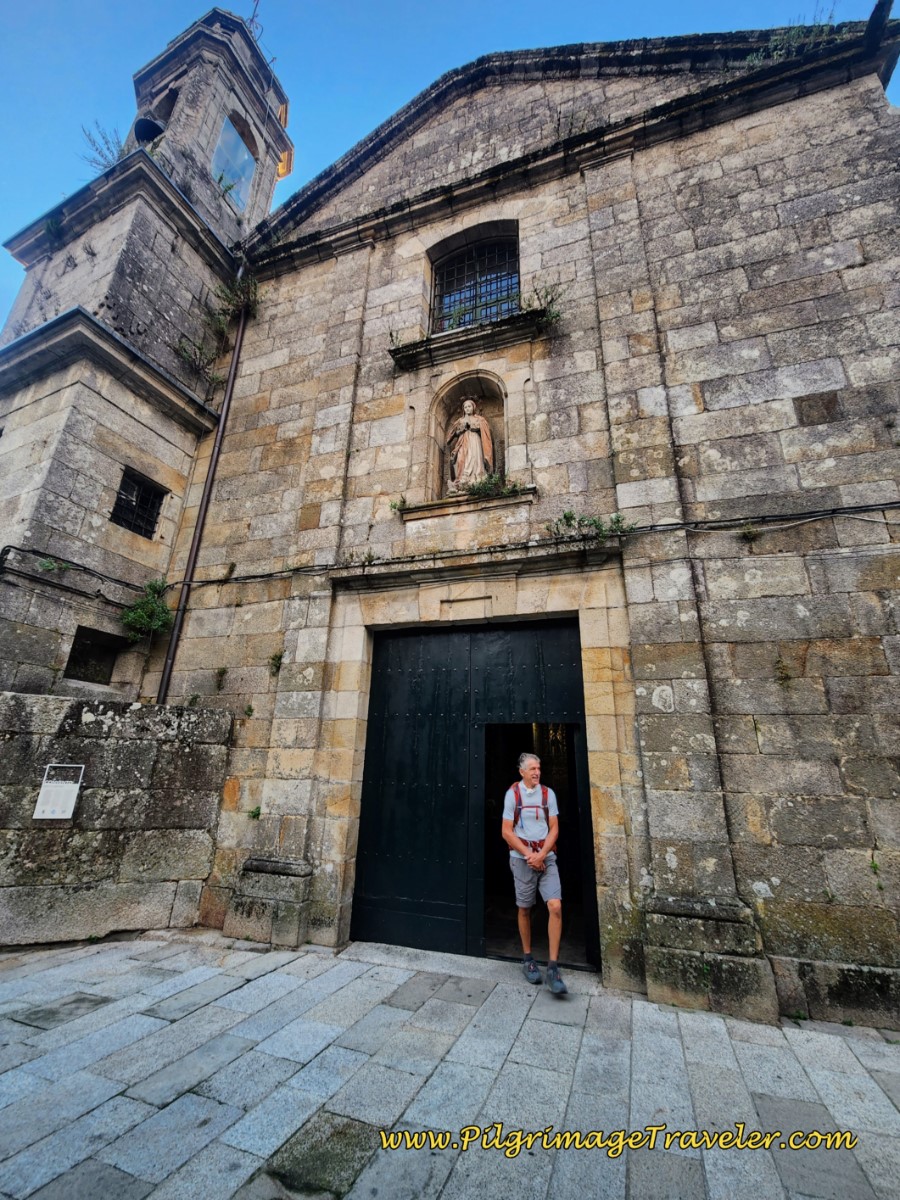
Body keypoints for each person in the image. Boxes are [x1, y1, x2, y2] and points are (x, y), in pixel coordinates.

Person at [501, 752, 567, 995]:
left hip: (547, 857)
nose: (536, 772)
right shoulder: (513, 795)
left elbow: (554, 827)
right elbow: (507, 832)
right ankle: (528, 958)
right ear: (521, 772)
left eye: (538, 768)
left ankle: (552, 967)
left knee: (555, 906)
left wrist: (542, 855)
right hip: (522, 860)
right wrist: (530, 855)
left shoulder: (548, 794)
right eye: (531, 768)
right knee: (524, 908)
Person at [446, 399, 494, 492]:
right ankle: (462, 479)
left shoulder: (479, 419)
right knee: (460, 459)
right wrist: (461, 430)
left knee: (475, 457)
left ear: (473, 408)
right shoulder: (460, 420)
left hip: (475, 440)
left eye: (469, 406)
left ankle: (477, 478)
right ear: (463, 409)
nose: (467, 409)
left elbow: (486, 432)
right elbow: (451, 436)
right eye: (465, 407)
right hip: (463, 441)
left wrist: (474, 427)